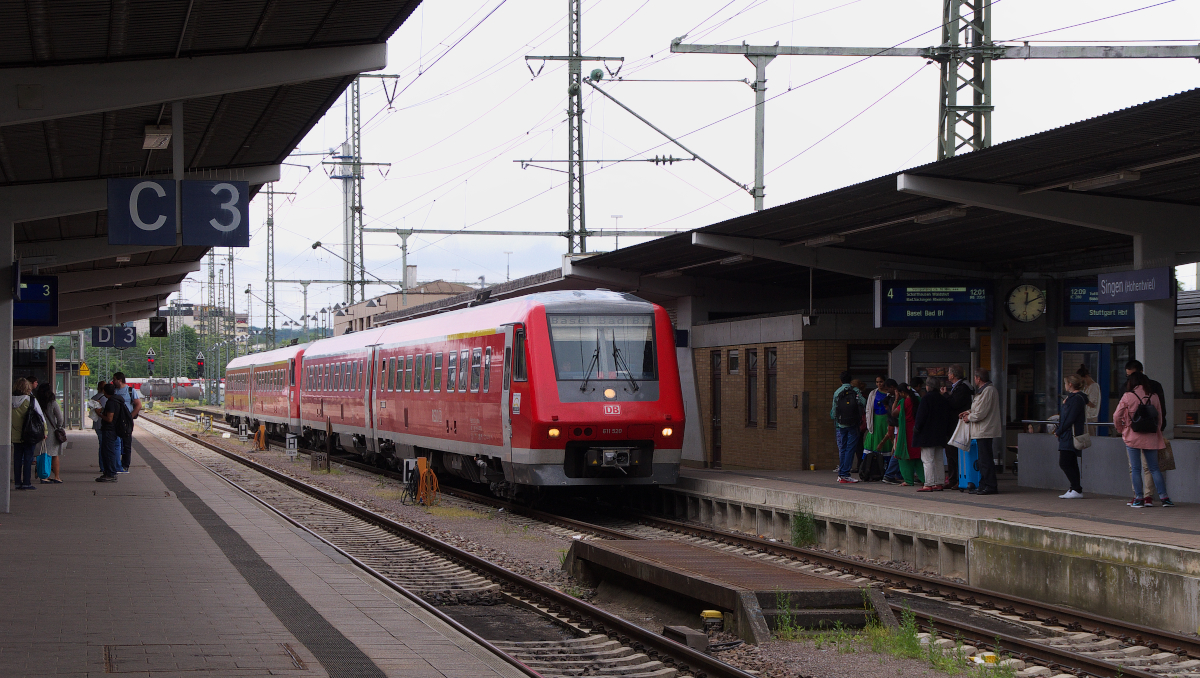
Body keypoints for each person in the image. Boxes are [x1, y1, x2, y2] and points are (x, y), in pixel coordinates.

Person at [1113, 371, 1173, 508]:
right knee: (1154, 468)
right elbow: (1159, 417)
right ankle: (1165, 498)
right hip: (1151, 436)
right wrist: (1157, 432)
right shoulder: (1154, 396)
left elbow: (1117, 415)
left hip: (1132, 436)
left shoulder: (1128, 396)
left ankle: (1139, 499)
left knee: (1135, 468)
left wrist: (1121, 429)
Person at [1124, 360, 1164, 506]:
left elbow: (1122, 412)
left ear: (1139, 372)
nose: (1129, 378)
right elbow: (1161, 410)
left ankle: (1138, 496)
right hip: (1151, 431)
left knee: (1134, 467)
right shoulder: (1154, 386)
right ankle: (1148, 496)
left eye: (1130, 375)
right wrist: (1159, 428)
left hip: (1133, 432)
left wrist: (1123, 428)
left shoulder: (1128, 389)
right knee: (1150, 467)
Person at [959, 368, 1001, 495]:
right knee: (982, 459)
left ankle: (990, 485)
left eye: (975, 378)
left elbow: (981, 413)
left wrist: (969, 417)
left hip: (985, 430)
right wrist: (969, 412)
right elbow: (978, 409)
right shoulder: (983, 391)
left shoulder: (988, 391)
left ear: (978, 378)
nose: (975, 380)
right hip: (981, 430)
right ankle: (983, 484)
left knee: (986, 459)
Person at [913, 377, 951, 492]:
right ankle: (939, 482)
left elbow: (921, 416)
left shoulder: (926, 399)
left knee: (927, 459)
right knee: (939, 459)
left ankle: (928, 483)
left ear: (928, 386)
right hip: (940, 434)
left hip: (927, 434)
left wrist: (917, 428)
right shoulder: (943, 399)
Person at [830, 371, 866, 484]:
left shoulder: (837, 392)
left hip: (841, 425)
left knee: (843, 448)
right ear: (850, 381)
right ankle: (845, 474)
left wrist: (837, 421)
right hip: (853, 424)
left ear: (841, 381)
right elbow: (863, 402)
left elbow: (833, 411)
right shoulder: (854, 391)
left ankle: (841, 473)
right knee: (851, 448)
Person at [1056, 374, 1088, 499]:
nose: (1065, 386)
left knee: (1064, 462)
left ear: (1070, 384)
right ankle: (1074, 488)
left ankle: (1076, 488)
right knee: (1072, 462)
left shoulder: (1075, 399)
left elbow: (1069, 418)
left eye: (1065, 383)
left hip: (1069, 434)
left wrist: (1059, 430)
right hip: (1069, 433)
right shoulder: (1075, 398)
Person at [11, 378, 44, 491]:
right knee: (28, 459)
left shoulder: (9, 400)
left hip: (15, 434)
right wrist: (45, 432)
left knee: (17, 459)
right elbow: (40, 417)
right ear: (27, 388)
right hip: (29, 434)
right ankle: (26, 483)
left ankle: (17, 483)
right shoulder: (31, 400)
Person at [889, 383, 924, 486]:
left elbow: (894, 413)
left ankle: (908, 480)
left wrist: (896, 399)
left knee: (905, 456)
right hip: (917, 430)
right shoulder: (918, 400)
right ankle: (924, 478)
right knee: (918, 456)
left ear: (902, 392)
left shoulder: (905, 402)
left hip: (906, 431)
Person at [944, 365, 972, 487]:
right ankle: (952, 479)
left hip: (957, 424)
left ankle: (958, 479)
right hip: (953, 424)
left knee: (955, 453)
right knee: (950, 452)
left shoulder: (963, 388)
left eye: (949, 373)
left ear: (953, 375)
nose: (948, 375)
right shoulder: (957, 387)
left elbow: (954, 404)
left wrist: (945, 395)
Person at [861, 376, 891, 481]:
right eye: (877, 382)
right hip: (875, 420)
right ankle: (870, 467)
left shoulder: (889, 393)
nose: (879, 384)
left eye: (881, 382)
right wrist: (869, 423)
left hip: (886, 419)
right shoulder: (873, 393)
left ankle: (886, 467)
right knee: (871, 442)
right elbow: (868, 408)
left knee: (887, 441)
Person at [111, 372, 142, 473]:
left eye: (114, 379)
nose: (113, 381)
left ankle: (125, 465)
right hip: (115, 421)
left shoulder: (130, 391)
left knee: (126, 444)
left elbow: (138, 405)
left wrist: (130, 417)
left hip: (125, 422)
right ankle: (116, 464)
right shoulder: (113, 391)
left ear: (120, 380)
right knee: (115, 443)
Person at [35, 383, 65, 484]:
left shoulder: (36, 402)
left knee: (41, 453)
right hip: (52, 431)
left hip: (39, 430)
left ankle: (42, 475)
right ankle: (56, 477)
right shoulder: (52, 403)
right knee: (54, 455)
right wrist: (58, 426)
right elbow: (60, 418)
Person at [97, 383, 124, 483]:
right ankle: (108, 472)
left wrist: (99, 414)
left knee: (108, 451)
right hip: (113, 429)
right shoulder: (117, 400)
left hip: (109, 430)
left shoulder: (111, 402)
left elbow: (109, 418)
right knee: (107, 451)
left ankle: (111, 473)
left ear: (104, 391)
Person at [88, 381, 108, 471]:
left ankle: (102, 466)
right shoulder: (105, 398)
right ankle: (104, 466)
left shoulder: (94, 397)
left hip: (96, 423)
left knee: (101, 444)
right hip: (103, 423)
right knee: (104, 446)